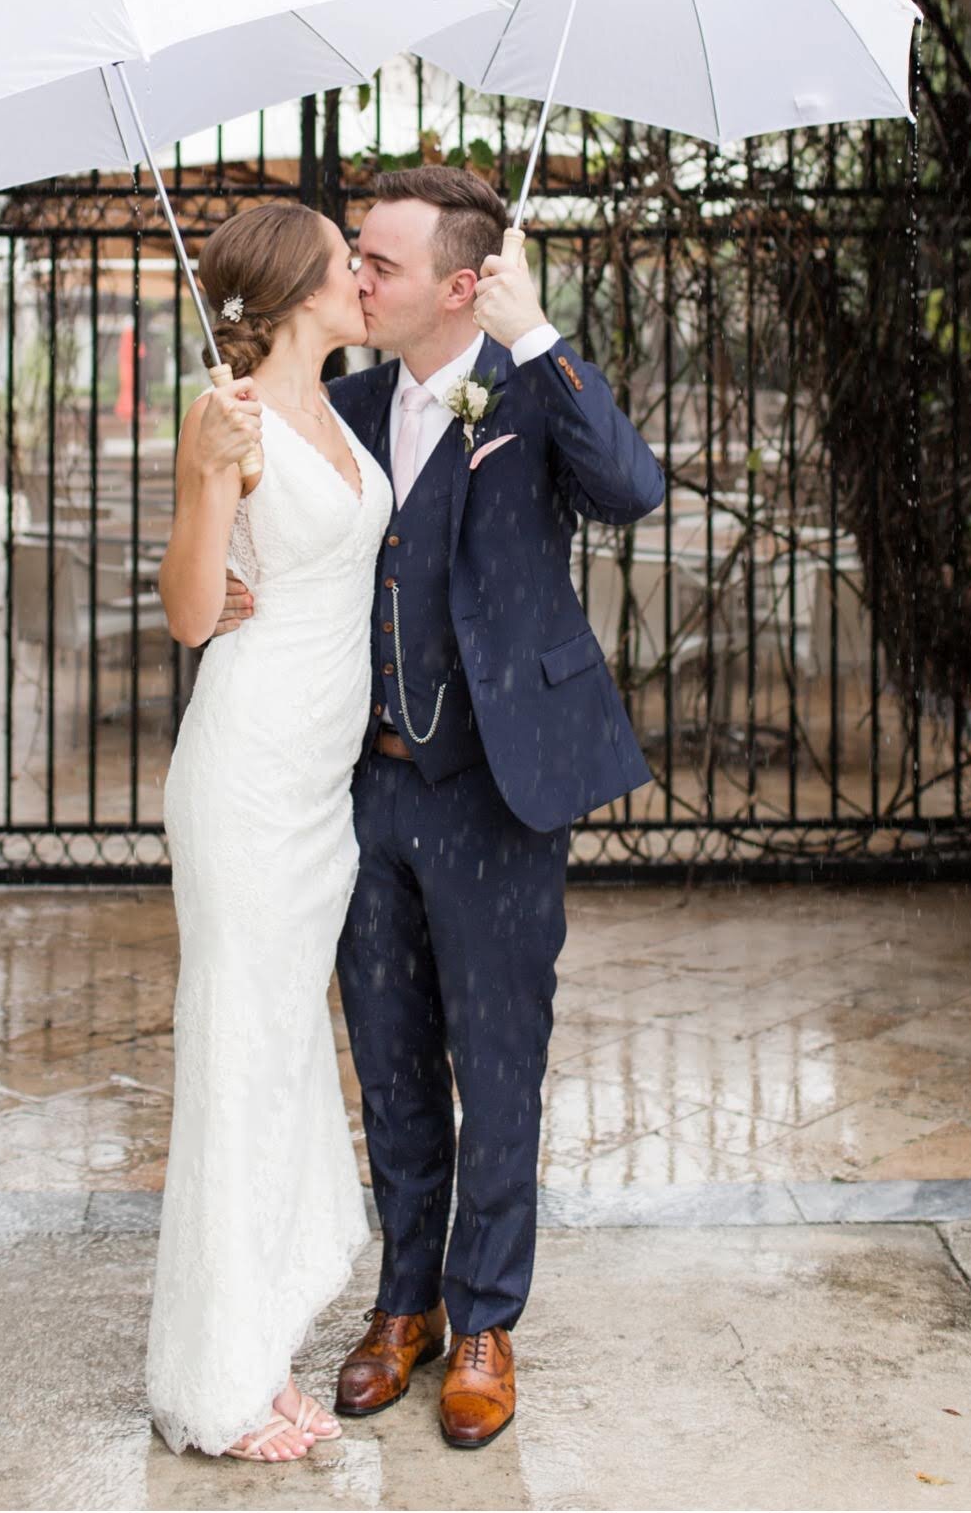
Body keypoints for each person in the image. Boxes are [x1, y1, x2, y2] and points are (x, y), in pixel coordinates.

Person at [208, 165, 664, 1451]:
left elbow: (630, 490)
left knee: (497, 1058)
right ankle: (401, 1304)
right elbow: (269, 543)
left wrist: (538, 334)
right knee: (393, 1059)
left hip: (498, 787)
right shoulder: (335, 400)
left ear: (462, 287)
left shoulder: (528, 387)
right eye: (354, 255)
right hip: (356, 786)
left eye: (382, 265)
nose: (355, 277)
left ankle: (483, 1321)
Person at [144, 198, 393, 1463]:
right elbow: (191, 613)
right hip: (243, 778)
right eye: (348, 264)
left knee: (284, 1059)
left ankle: (265, 1342)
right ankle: (218, 1382)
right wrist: (203, 476)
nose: (366, 278)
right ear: (300, 286)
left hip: (317, 792)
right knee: (237, 1063)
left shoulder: (336, 416)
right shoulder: (226, 420)